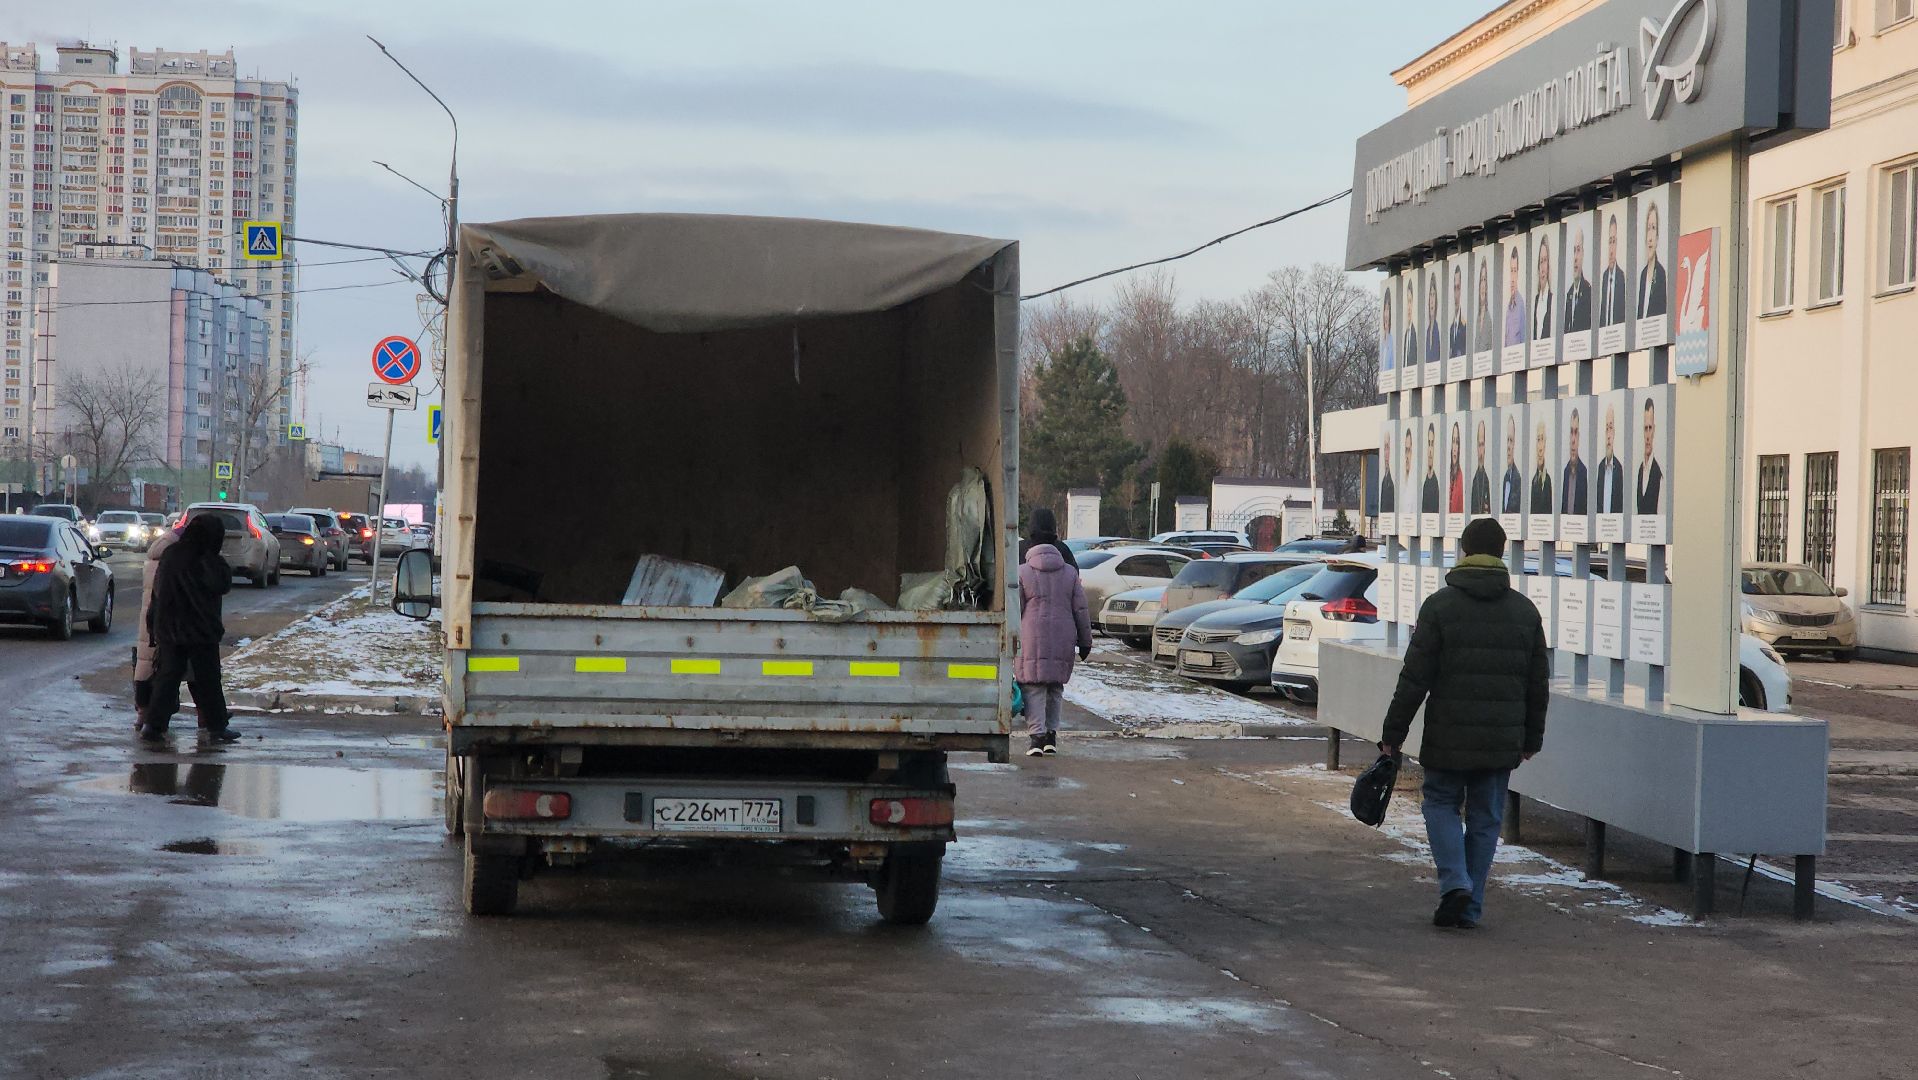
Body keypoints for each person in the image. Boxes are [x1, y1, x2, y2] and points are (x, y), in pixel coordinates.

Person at [1380, 517, 1549, 929]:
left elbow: (1414, 678)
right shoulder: (1524, 612)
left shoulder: (1440, 607)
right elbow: (1537, 684)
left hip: (1448, 735)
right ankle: (1470, 907)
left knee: (1440, 803)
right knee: (1486, 818)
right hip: (1501, 739)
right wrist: (1532, 738)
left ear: (1464, 551)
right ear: (1502, 553)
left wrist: (1393, 734)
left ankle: (1455, 883)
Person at [140, 513, 240, 745]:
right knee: (208, 679)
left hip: (169, 627)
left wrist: (153, 624)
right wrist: (216, 560)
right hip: (200, 629)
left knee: (167, 678)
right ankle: (217, 726)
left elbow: (158, 592)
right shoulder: (207, 558)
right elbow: (221, 584)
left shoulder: (171, 554)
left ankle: (153, 725)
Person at [1015, 531, 1092, 758]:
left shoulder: (1022, 572)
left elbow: (1016, 610)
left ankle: (1036, 737)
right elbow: (1081, 609)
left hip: (1031, 636)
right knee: (1055, 687)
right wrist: (1085, 642)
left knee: (1033, 687)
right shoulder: (1069, 573)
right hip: (1063, 636)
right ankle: (1051, 736)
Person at [132, 523, 181, 721]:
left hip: (151, 619)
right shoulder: (172, 560)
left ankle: (143, 713)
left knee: (145, 665)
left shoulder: (154, 557)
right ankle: (153, 716)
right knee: (164, 669)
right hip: (165, 619)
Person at [1638, 201, 1668, 319]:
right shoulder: (1643, 275)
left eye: (1653, 228)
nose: (1650, 237)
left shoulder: (1661, 273)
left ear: (1657, 236)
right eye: (1648, 228)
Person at [1599, 213, 1629, 327]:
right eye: (1610, 241)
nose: (1611, 249)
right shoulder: (1605, 276)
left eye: (1614, 241)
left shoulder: (1621, 277)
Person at [1636, 398, 1664, 514]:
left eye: (1650, 428)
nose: (1647, 435)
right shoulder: (1640, 471)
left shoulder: (1658, 474)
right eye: (1645, 428)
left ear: (1654, 430)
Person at [1597, 405, 1626, 514]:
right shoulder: (1600, 468)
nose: (1608, 435)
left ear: (1614, 433)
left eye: (1610, 428)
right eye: (1606, 429)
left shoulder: (1618, 468)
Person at [1560, 407, 1589, 515]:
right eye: (1571, 432)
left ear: (1579, 437)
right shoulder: (1565, 472)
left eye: (1576, 433)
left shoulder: (1584, 473)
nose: (1573, 439)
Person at [1564, 227, 1593, 334]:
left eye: (1578, 250)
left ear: (1583, 254)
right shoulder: (1569, 294)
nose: (1575, 257)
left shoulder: (1588, 292)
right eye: (1573, 251)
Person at [1503, 245, 1527, 348]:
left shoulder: (1520, 304)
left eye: (1515, 270)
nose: (1512, 278)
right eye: (1511, 270)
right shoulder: (1509, 306)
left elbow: (1523, 338)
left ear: (1518, 273)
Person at [1532, 238, 1554, 341]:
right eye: (1541, 261)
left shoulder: (1552, 299)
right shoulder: (1536, 300)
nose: (1542, 269)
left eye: (1545, 260)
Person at [1529, 421, 1554, 514]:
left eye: (1542, 439)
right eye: (1538, 440)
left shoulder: (1548, 480)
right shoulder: (1534, 481)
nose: (1540, 448)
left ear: (1545, 443)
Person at [1501, 416, 1524, 515]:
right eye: (1507, 440)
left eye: (1511, 440)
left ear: (1515, 444)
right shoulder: (1505, 477)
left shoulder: (1518, 479)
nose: (1508, 446)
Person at [1470, 419, 1492, 515]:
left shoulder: (1487, 479)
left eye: (1482, 445)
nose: (1481, 449)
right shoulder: (1474, 480)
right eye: (1479, 445)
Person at [1475, 256, 1496, 352]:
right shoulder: (1477, 318)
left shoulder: (1489, 320)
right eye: (1481, 280)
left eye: (1485, 280)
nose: (1483, 286)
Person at [1421, 422, 1441, 515]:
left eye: (1432, 444)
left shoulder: (1436, 483)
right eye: (1428, 443)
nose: (1430, 450)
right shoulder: (1423, 481)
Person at [1449, 266, 1468, 358]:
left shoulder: (1465, 326)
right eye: (1455, 288)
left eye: (1458, 288)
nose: (1456, 293)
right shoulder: (1451, 327)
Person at [1447, 422, 1465, 515]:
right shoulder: (1449, 474)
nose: (1454, 448)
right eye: (1453, 442)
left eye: (1457, 442)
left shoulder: (1460, 477)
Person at [1425, 274, 1442, 364]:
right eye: (1430, 295)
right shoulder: (1427, 330)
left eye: (1433, 295)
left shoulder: (1438, 328)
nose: (1432, 300)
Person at [1379, 433, 1397, 514]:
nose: (1385, 453)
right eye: (1384, 448)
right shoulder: (1383, 480)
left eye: (1387, 447)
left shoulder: (1393, 481)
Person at [1402, 286, 1420, 370]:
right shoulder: (1406, 334)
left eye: (1410, 301)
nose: (1408, 307)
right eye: (1407, 302)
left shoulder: (1415, 334)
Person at [1380, 295, 1396, 373]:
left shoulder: (1392, 339)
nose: (1386, 314)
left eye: (1388, 309)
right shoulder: (1382, 341)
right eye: (1385, 310)